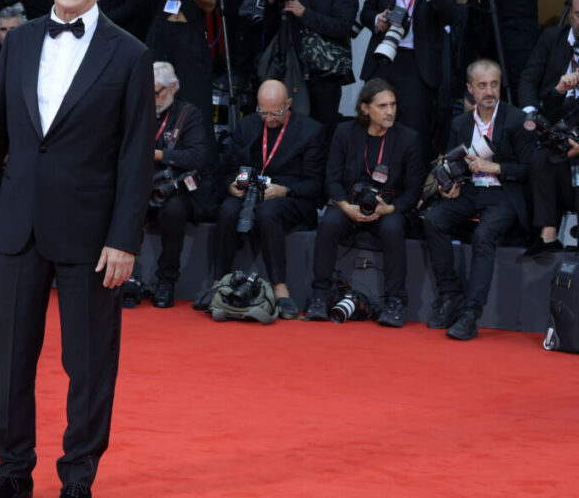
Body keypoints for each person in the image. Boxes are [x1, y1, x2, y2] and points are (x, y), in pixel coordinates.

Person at [0, 0, 155, 498]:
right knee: (11, 358)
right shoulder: (17, 43)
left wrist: (124, 240)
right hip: (19, 225)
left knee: (88, 364)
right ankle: (12, 469)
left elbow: (135, 159)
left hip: (91, 234)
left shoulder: (130, 54)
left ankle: (78, 476)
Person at [423, 59, 534, 341]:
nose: (489, 91)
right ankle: (449, 294)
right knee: (434, 219)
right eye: (482, 85)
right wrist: (449, 187)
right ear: (470, 88)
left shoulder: (517, 120)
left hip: (503, 194)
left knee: (483, 235)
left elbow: (530, 169)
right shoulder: (459, 123)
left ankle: (470, 313)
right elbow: (453, 164)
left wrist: (494, 167)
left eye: (494, 84)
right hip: (470, 192)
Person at [306, 78, 424, 327]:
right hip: (349, 205)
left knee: (393, 228)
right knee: (328, 224)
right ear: (364, 108)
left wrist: (389, 208)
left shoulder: (408, 139)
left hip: (387, 208)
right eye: (382, 106)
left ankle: (395, 302)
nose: (390, 111)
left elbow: (413, 190)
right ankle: (319, 296)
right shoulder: (344, 132)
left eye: (393, 104)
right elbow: (332, 179)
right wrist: (345, 206)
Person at [214, 79, 325, 319]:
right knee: (227, 209)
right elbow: (228, 166)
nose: (269, 119)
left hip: (290, 195)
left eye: (275, 112)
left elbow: (315, 184)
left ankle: (280, 287)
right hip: (250, 190)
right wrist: (232, 185)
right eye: (263, 112)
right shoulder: (247, 125)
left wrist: (285, 190)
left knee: (267, 213)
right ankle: (218, 282)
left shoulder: (310, 131)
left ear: (289, 104)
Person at [360, 0, 456, 160]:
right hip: (383, 58)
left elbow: (451, 17)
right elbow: (366, 12)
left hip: (417, 64)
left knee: (413, 128)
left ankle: (411, 179)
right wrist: (377, 20)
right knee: (374, 122)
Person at [127, 0, 221, 144]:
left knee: (196, 97)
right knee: (152, 91)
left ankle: (199, 158)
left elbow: (210, 4)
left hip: (191, 35)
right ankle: (150, 149)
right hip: (161, 31)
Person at [266, 0, 357, 129]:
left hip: (325, 74)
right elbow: (270, 26)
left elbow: (342, 27)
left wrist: (303, 13)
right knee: (290, 129)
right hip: (291, 68)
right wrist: (271, 1)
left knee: (322, 131)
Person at [140, 61, 207, 308]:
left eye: (158, 92)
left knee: (174, 211)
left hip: (175, 187)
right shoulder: (139, 109)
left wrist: (157, 154)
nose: (153, 98)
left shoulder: (189, 115)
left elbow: (196, 158)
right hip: (141, 182)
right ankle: (125, 277)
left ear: (173, 87)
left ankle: (166, 281)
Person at [518, 0, 579, 256]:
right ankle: (547, 233)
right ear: (571, 15)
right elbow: (529, 78)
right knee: (540, 157)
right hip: (552, 116)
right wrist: (531, 114)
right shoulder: (552, 38)